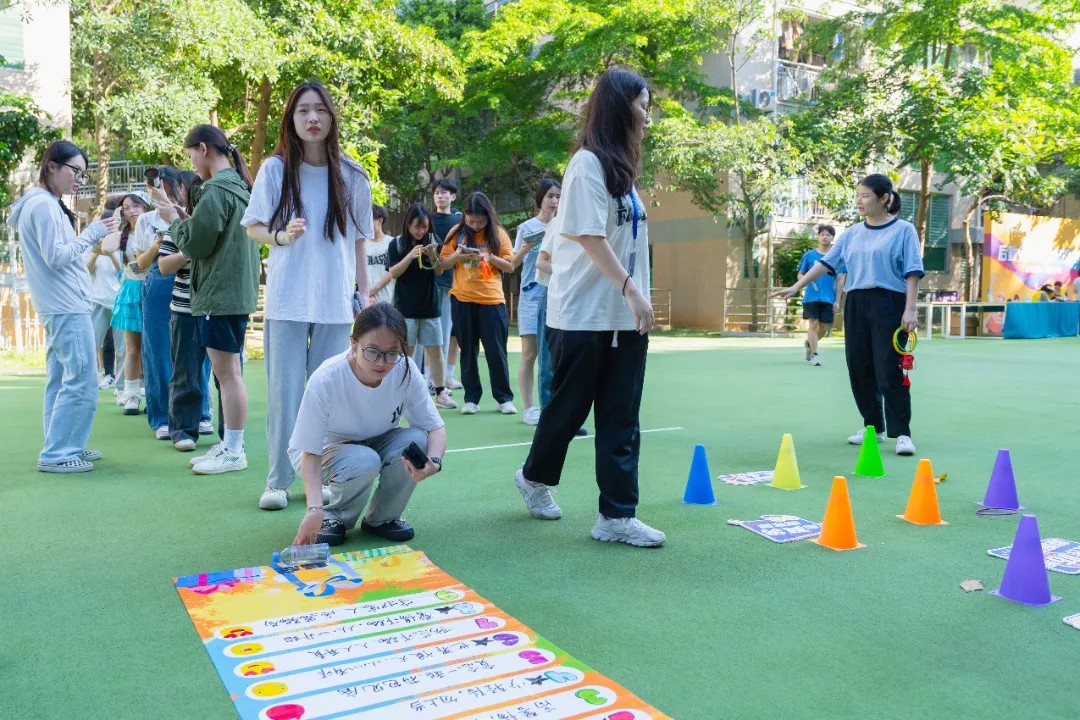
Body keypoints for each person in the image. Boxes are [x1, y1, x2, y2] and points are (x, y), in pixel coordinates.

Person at [513, 68, 665, 548]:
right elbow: (590, 236)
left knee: (622, 416)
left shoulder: (624, 173)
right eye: (642, 106)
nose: (647, 116)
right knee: (568, 411)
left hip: (624, 317)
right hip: (581, 315)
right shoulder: (586, 165)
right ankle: (533, 478)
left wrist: (633, 297)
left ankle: (616, 516)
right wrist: (632, 290)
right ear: (620, 107)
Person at [242, 79, 374, 510]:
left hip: (336, 303)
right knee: (285, 394)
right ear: (291, 119)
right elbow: (253, 227)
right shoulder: (274, 170)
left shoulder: (353, 175)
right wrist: (280, 236)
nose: (312, 118)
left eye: (320, 109)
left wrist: (365, 295)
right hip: (287, 300)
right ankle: (278, 481)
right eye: (303, 110)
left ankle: (326, 477)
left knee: (330, 396)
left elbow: (359, 242)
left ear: (332, 117)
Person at [774, 173, 924, 456]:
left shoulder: (903, 230)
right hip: (856, 303)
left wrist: (910, 309)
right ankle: (873, 427)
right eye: (857, 196)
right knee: (859, 368)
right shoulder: (852, 233)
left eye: (865, 196)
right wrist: (796, 286)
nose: (858, 201)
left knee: (889, 369)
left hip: (889, 303)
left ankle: (902, 433)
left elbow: (913, 272)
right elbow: (826, 264)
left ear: (884, 198)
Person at [290, 303, 446, 547]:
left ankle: (383, 518)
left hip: (377, 441)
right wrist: (314, 508)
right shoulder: (327, 378)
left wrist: (434, 462)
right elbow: (310, 452)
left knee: (416, 440)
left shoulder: (405, 369)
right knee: (365, 460)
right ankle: (332, 517)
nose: (381, 362)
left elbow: (435, 427)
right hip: (325, 451)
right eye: (372, 351)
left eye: (392, 353)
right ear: (354, 344)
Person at [8, 140, 119, 472]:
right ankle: (58, 452)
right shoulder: (43, 205)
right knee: (81, 378)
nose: (79, 180)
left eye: (83, 174)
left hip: (60, 304)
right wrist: (93, 233)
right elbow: (56, 256)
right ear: (52, 166)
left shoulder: (43, 203)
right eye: (76, 171)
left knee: (62, 379)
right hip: (66, 306)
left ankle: (63, 444)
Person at [158, 124, 260, 475]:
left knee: (228, 376)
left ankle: (233, 449)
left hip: (219, 294)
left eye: (190, 156)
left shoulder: (217, 188)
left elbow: (197, 244)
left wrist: (173, 222)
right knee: (229, 374)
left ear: (203, 149)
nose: (191, 164)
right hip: (232, 293)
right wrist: (185, 220)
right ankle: (230, 445)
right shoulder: (240, 186)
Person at [438, 192, 516, 416]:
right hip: (462, 299)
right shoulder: (457, 232)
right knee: (467, 352)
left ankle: (504, 398)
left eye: (480, 222)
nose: (475, 226)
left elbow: (510, 266)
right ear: (465, 216)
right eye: (471, 221)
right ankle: (471, 399)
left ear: (488, 217)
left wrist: (490, 257)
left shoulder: (498, 234)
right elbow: (441, 264)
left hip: (492, 300)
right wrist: (458, 256)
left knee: (496, 351)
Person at [155, 169, 215, 451]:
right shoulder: (177, 228)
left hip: (217, 308)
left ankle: (228, 433)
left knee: (225, 375)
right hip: (184, 309)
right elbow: (164, 266)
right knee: (185, 372)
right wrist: (189, 251)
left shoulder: (220, 224)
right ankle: (183, 431)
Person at [139, 170, 194, 440]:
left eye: (173, 191)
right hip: (158, 281)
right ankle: (162, 416)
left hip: (190, 281)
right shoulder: (146, 219)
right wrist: (157, 244)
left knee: (194, 350)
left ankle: (199, 413)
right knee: (158, 351)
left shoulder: (191, 212)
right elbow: (140, 262)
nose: (167, 196)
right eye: (161, 190)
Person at [384, 204, 456, 410]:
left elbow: (439, 272)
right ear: (408, 225)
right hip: (405, 308)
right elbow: (393, 273)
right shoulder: (397, 244)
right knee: (405, 351)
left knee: (435, 350)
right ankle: (401, 393)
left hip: (429, 307)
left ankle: (440, 392)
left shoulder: (433, 241)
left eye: (424, 227)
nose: (421, 231)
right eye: (417, 227)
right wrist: (410, 256)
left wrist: (432, 255)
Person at [512, 179, 560, 426]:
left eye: (558, 196)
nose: (554, 201)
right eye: (550, 196)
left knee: (552, 355)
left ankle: (552, 404)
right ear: (540, 198)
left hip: (556, 294)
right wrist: (526, 247)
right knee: (530, 353)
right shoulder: (527, 227)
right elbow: (512, 263)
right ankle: (530, 407)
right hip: (532, 294)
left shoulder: (563, 226)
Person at [110, 193, 154, 414]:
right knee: (132, 348)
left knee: (156, 348)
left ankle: (155, 396)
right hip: (131, 290)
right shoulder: (122, 235)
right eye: (126, 208)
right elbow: (106, 247)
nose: (131, 211)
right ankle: (131, 396)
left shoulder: (155, 229)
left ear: (146, 207)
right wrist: (116, 218)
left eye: (136, 205)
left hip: (154, 289)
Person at [797, 224, 846, 367]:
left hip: (828, 298)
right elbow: (800, 274)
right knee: (813, 324)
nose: (825, 237)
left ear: (832, 238)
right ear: (818, 237)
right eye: (822, 234)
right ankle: (815, 354)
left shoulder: (838, 258)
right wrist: (805, 281)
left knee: (824, 327)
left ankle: (809, 344)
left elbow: (840, 280)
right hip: (811, 297)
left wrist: (837, 300)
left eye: (828, 235)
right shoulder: (809, 256)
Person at [86, 207, 123, 390]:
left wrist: (111, 253)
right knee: (90, 345)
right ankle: (87, 383)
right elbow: (85, 271)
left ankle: (122, 389)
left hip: (120, 302)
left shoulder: (124, 242)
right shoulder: (93, 243)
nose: (111, 227)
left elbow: (124, 272)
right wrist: (95, 252)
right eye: (107, 224)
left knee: (123, 349)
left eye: (115, 223)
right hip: (98, 301)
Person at [430, 178, 463, 390]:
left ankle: (447, 375)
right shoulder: (427, 219)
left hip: (453, 283)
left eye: (444, 193)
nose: (440, 196)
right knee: (431, 333)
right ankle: (430, 378)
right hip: (430, 282)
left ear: (453, 196)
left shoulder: (460, 222)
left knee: (451, 332)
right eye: (437, 193)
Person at [365, 204, 395, 305]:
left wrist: (373, 289)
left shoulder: (391, 242)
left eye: (370, 220)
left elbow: (393, 271)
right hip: (368, 302)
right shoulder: (362, 245)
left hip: (389, 301)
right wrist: (368, 294)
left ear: (380, 221)